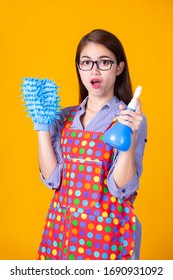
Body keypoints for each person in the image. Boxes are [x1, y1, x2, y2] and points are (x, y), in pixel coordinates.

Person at [36, 29, 147, 260]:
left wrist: (131, 134)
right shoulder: (64, 117)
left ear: (119, 67)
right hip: (63, 230)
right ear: (79, 68)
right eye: (86, 62)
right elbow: (53, 179)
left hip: (108, 234)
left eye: (104, 62)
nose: (94, 70)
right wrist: (42, 128)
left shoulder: (131, 117)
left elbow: (121, 188)